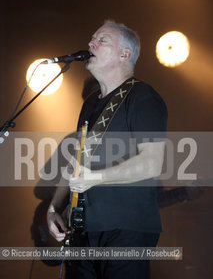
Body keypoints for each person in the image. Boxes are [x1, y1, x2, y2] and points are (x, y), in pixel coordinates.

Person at [47, 20, 168, 279]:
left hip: (126, 229)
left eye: (102, 40)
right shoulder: (90, 104)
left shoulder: (143, 97)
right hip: (83, 231)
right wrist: (54, 210)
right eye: (92, 39)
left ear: (125, 54)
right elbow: (76, 164)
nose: (91, 43)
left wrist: (96, 178)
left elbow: (151, 163)